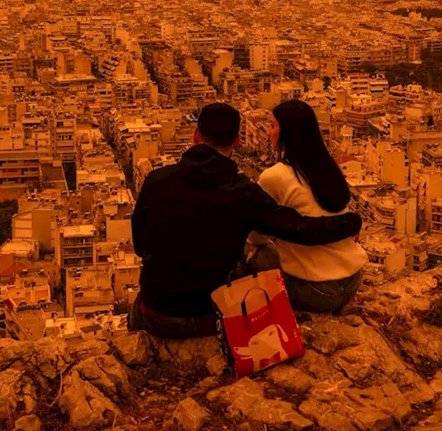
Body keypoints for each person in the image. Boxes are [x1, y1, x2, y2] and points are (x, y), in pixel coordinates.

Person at [130, 102, 363, 338]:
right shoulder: (242, 193)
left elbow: (140, 246)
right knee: (250, 255)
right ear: (238, 140)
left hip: (154, 314)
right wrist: (351, 222)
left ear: (195, 135)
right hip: (212, 315)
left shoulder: (156, 180)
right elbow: (302, 229)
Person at [248, 100, 367, 313]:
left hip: (315, 292)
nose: (268, 133)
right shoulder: (329, 169)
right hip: (352, 283)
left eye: (273, 126)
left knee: (252, 251)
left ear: (288, 133)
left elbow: (256, 237)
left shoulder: (274, 177)